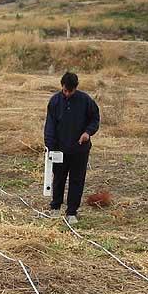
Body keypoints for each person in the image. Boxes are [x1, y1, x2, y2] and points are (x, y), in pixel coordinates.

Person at [43, 71, 100, 224]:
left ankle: (72, 212)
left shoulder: (85, 101)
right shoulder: (55, 101)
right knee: (59, 178)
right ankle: (55, 207)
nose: (67, 93)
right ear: (62, 86)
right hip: (59, 149)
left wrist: (88, 133)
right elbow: (50, 125)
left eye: (70, 90)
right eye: (65, 90)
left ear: (76, 88)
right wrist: (50, 145)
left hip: (79, 149)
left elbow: (95, 119)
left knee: (77, 179)